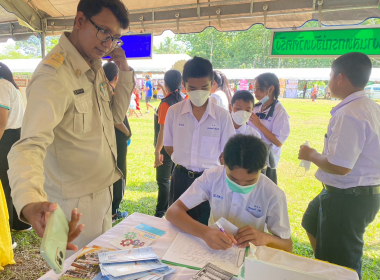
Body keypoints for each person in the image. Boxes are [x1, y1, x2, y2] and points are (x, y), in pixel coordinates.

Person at [7, 0, 134, 253]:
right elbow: (29, 145)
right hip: (73, 205)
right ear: (79, 21)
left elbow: (115, 115)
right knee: (75, 271)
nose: (108, 43)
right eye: (104, 32)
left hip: (103, 192)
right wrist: (30, 202)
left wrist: (124, 70)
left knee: (100, 266)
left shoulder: (93, 66)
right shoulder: (53, 76)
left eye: (115, 38)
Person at [298, 52, 380, 279]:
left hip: (348, 198)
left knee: (343, 262)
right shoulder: (369, 106)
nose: (329, 81)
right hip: (349, 193)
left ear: (341, 78)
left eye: (331, 76)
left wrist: (310, 154)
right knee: (311, 220)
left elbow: (340, 166)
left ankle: (333, 271)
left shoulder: (350, 114)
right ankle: (326, 266)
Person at [166, 134, 292, 252]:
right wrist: (205, 233)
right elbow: (173, 212)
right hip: (214, 250)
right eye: (233, 179)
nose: (240, 185)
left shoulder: (273, 195)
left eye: (250, 181)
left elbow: (287, 245)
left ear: (263, 167)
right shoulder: (212, 177)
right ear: (223, 161)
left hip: (249, 258)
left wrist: (266, 238)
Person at [164, 56, 235, 225]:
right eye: (192, 88)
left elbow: (228, 152)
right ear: (184, 85)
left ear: (212, 84)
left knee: (206, 227)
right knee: (176, 226)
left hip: (210, 181)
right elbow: (168, 145)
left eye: (204, 87)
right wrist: (184, 161)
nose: (198, 92)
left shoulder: (222, 116)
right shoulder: (174, 112)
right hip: (180, 178)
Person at [0, 62, 31, 250]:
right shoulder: (10, 85)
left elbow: (1, 122)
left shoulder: (1, 86)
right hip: (15, 136)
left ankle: (8, 235)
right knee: (10, 183)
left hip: (7, 138)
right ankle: (19, 224)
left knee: (4, 186)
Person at [248, 73, 290, 185]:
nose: (255, 92)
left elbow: (278, 142)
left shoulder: (279, 112)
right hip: (250, 156)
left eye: (259, 89)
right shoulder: (257, 107)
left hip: (266, 162)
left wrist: (259, 125)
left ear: (271, 89)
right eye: (254, 89)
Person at [102, 62, 131, 222]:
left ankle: (110, 209)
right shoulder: (110, 92)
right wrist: (127, 132)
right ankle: (113, 212)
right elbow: (115, 118)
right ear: (117, 77)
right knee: (119, 173)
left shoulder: (102, 90)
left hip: (108, 140)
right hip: (117, 139)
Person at [153, 70, 183, 218]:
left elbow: (162, 132)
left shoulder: (165, 104)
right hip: (178, 146)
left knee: (163, 180)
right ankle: (172, 208)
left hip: (166, 148)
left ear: (166, 83)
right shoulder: (181, 99)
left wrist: (157, 153)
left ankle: (161, 212)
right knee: (172, 178)